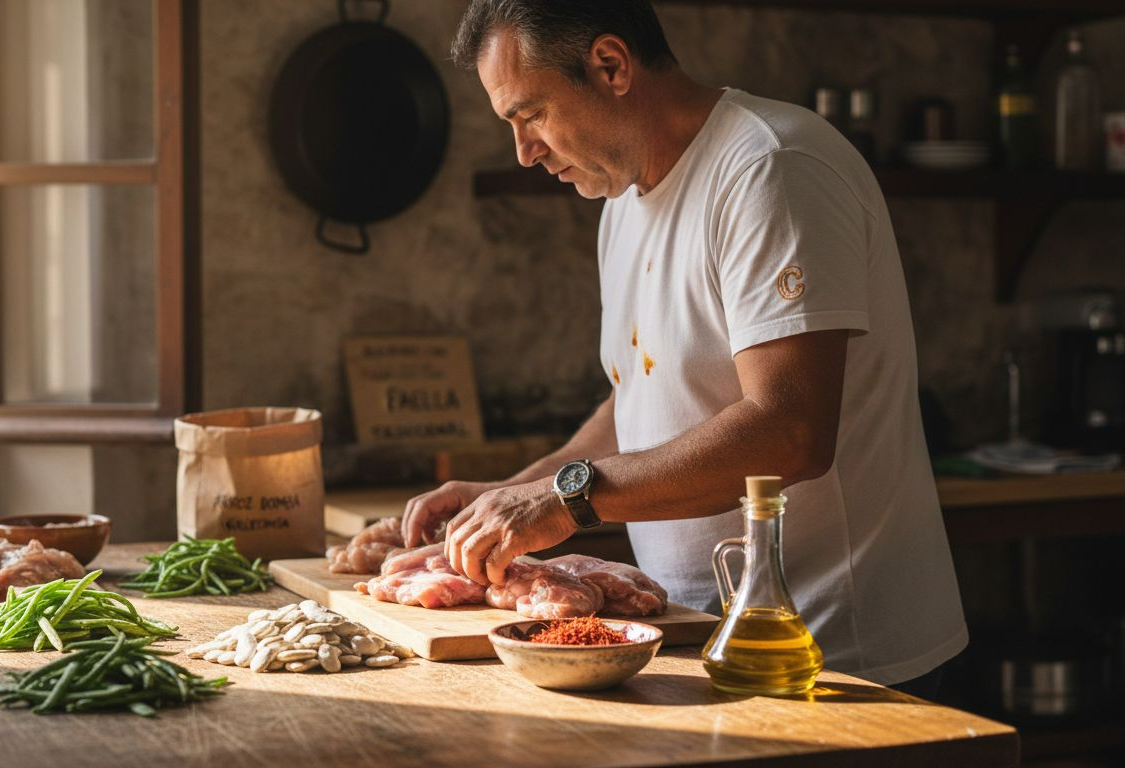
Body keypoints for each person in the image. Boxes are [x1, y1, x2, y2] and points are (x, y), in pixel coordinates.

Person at [401, 0, 966, 696]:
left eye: (532, 114)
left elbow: (789, 431)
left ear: (611, 66)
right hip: (696, 637)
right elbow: (645, 398)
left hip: (838, 655)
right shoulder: (621, 202)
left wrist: (565, 499)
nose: (525, 151)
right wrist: (516, 493)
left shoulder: (771, 167)